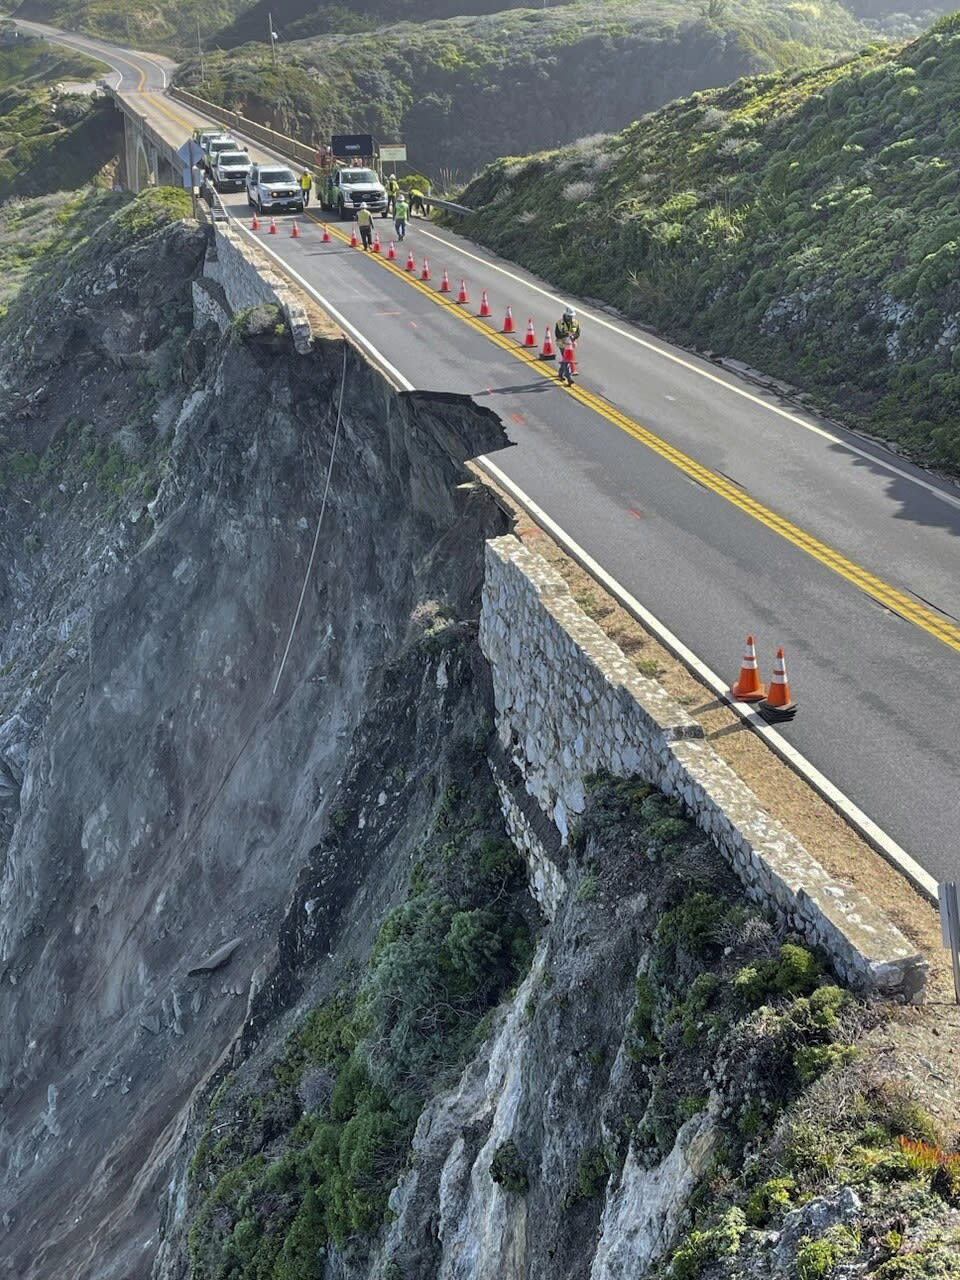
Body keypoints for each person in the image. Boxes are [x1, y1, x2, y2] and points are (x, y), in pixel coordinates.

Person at [555, 306, 581, 385]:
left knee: (565, 359)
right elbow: (557, 334)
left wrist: (573, 337)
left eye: (571, 316)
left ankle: (560, 374)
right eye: (569, 316)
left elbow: (578, 333)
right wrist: (566, 334)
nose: (570, 317)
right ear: (565, 315)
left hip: (570, 345)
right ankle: (568, 377)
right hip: (562, 344)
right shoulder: (559, 323)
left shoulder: (575, 322)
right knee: (567, 360)